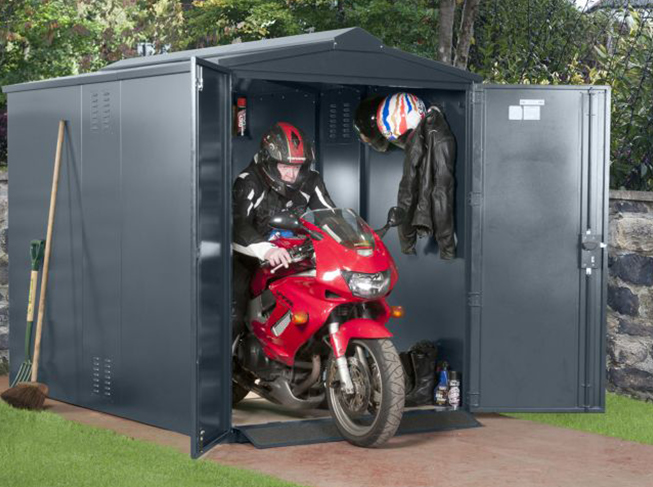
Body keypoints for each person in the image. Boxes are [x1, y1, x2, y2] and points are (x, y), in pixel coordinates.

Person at [232, 122, 336, 339]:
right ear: (269, 162)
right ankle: (231, 363)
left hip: (294, 255)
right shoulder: (249, 181)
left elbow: (329, 217)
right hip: (250, 257)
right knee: (233, 310)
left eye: (297, 167)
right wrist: (267, 250)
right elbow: (237, 223)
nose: (291, 174)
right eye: (284, 166)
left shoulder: (311, 180)